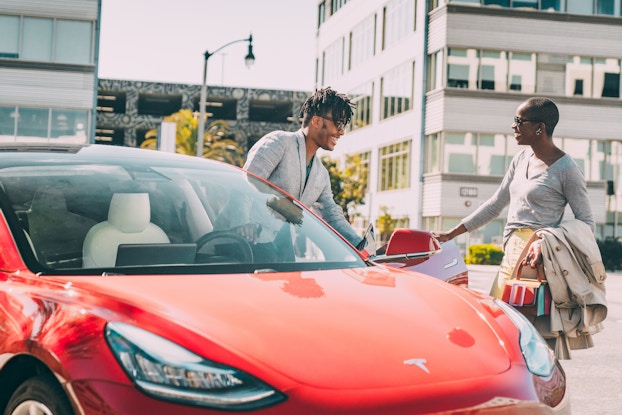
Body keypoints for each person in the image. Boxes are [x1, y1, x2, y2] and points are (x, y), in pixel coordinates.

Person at [433, 97, 594, 298]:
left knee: (523, 322)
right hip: (511, 252)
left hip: (538, 261)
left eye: (519, 121)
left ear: (539, 128)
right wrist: (451, 234)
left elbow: (586, 223)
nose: (513, 126)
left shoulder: (567, 169)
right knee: (500, 315)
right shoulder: (521, 159)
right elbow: (495, 204)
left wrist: (545, 243)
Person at [243, 87, 363, 248]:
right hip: (239, 241)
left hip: (278, 247)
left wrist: (360, 245)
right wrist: (241, 225)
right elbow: (246, 185)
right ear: (316, 121)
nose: (341, 132)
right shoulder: (279, 142)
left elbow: (332, 216)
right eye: (339, 123)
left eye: (344, 125)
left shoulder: (321, 174)